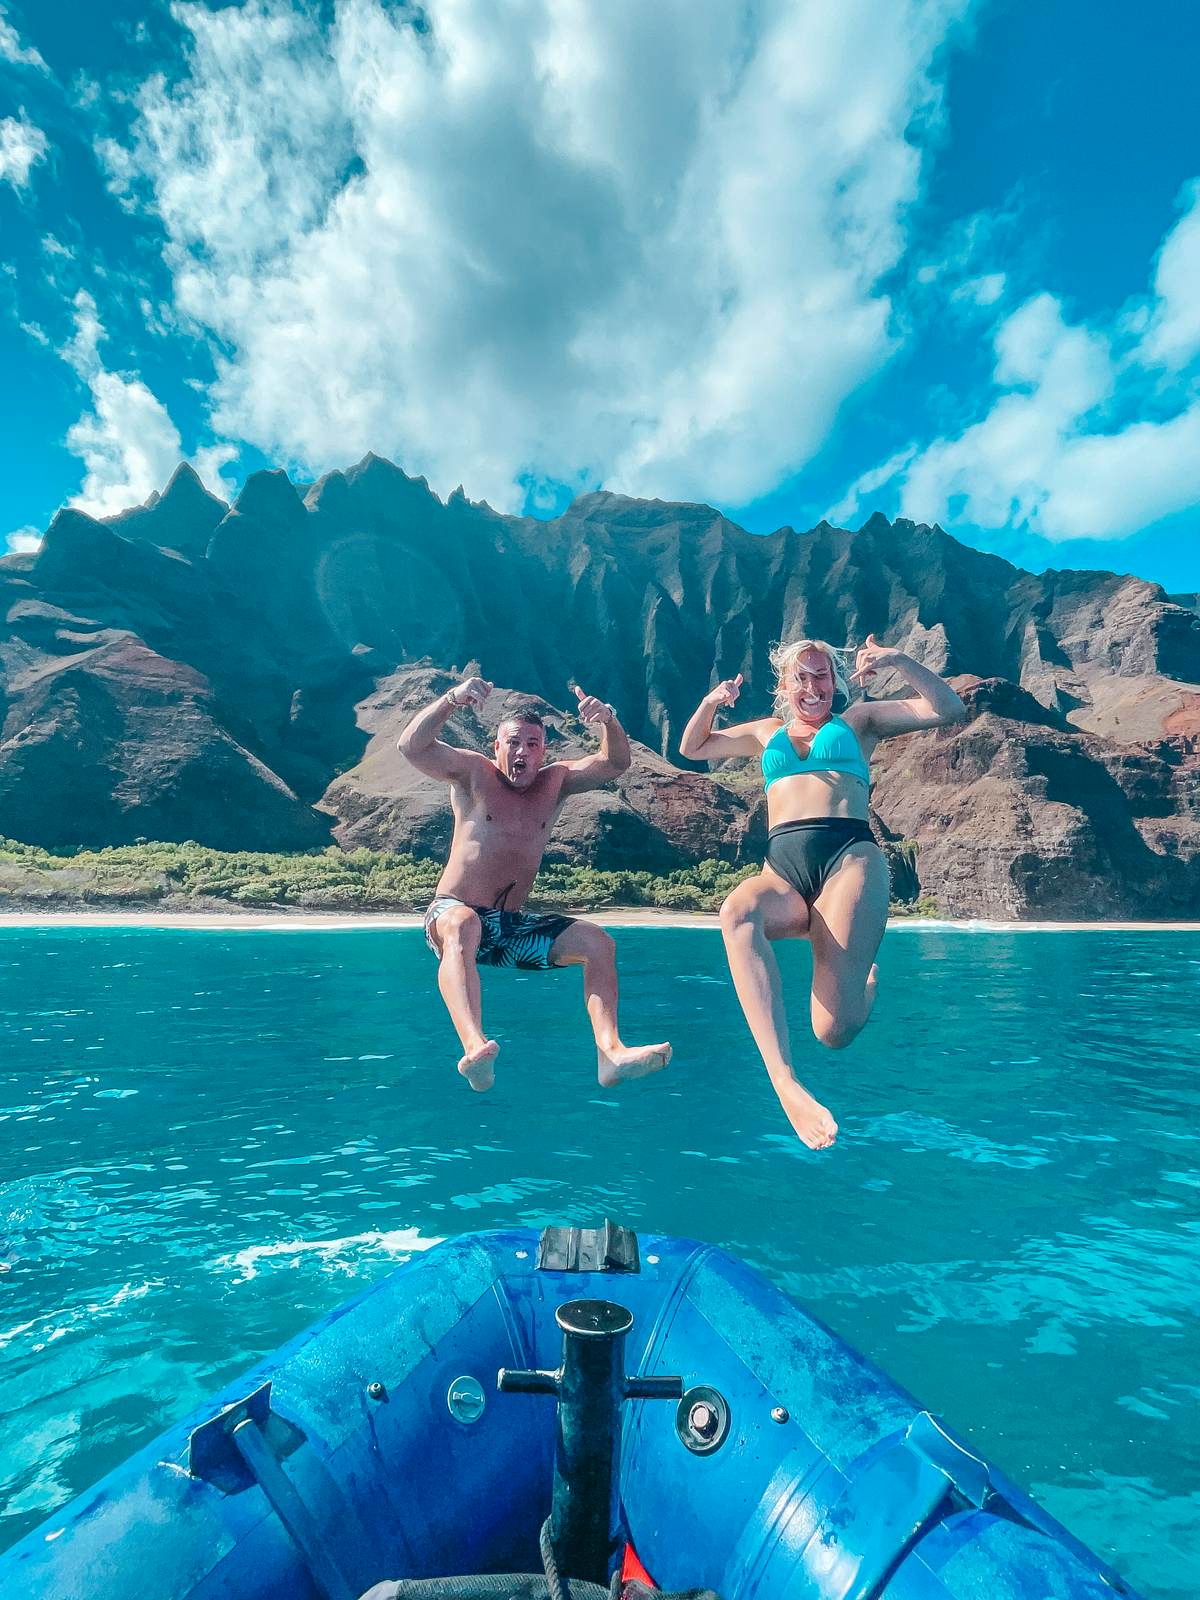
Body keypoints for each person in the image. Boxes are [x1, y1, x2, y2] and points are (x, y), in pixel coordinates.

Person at [679, 634, 965, 1150]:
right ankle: (784, 1081)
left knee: (833, 1033)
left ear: (835, 681)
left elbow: (948, 708)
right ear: (785, 685)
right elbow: (692, 748)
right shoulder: (766, 733)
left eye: (822, 676)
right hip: (781, 870)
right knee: (737, 911)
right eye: (801, 677)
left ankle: (861, 983)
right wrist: (711, 702)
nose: (812, 687)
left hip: (849, 859)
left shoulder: (860, 722)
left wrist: (898, 660)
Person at [399, 678, 671, 1092]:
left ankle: (610, 1054)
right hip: (451, 912)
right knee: (464, 923)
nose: (522, 751)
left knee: (598, 942)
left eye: (532, 743)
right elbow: (411, 747)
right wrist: (451, 700)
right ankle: (475, 1051)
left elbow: (615, 763)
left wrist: (609, 721)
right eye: (513, 742)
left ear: (544, 751)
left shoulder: (555, 782)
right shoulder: (474, 773)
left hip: (511, 929)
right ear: (496, 748)